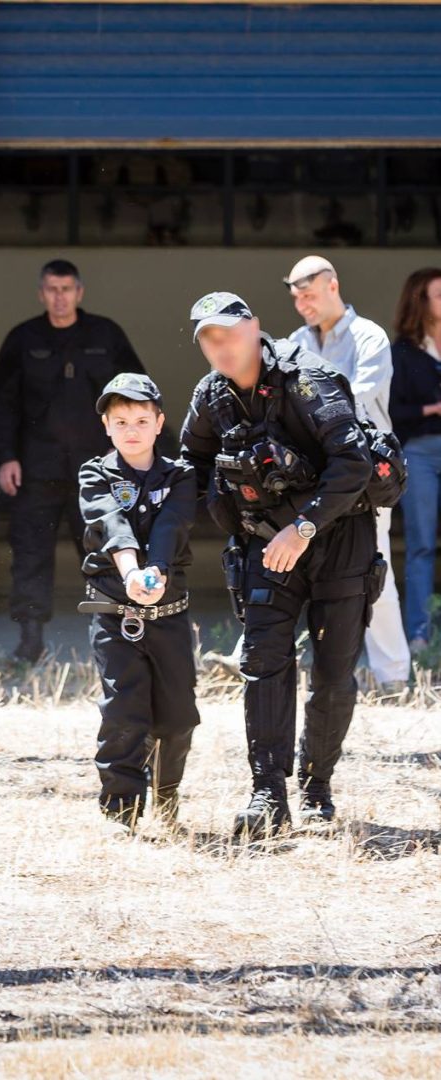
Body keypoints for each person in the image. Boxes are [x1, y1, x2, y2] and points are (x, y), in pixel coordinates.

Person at [181, 291, 377, 838]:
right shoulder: (212, 395)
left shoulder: (307, 379)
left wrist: (303, 528)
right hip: (265, 542)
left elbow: (353, 462)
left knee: (333, 674)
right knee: (263, 661)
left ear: (255, 327)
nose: (221, 346)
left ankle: (316, 788)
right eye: (209, 339)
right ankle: (268, 794)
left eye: (229, 333)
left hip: (338, 536)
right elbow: (191, 467)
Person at [0, 258, 146, 663]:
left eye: (67, 289)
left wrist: (128, 452)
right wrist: (5, 457)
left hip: (97, 471)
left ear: (79, 292)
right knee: (30, 555)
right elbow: (0, 403)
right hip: (36, 469)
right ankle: (30, 641)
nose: (60, 297)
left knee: (107, 552)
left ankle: (118, 638)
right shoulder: (24, 338)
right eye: (52, 290)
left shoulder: (105, 335)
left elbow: (135, 394)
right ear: (42, 294)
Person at [78, 372, 199, 831]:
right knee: (124, 711)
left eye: (142, 420)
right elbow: (111, 524)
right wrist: (131, 573)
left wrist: (157, 571)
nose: (132, 430)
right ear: (106, 426)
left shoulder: (180, 475)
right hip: (116, 613)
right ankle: (121, 810)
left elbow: (172, 525)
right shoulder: (94, 473)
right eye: (121, 421)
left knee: (178, 716)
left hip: (168, 616)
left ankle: (167, 796)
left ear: (159, 422)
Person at [285, 255, 410, 695]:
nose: (302, 305)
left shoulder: (368, 337)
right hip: (312, 473)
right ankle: (280, 660)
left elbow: (355, 400)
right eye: (296, 297)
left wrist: (302, 416)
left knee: (374, 568)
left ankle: (393, 677)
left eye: (309, 295)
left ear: (333, 286)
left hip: (363, 472)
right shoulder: (296, 342)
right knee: (292, 567)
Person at [389, 267, 441, 654]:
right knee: (421, 545)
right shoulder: (402, 353)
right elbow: (392, 412)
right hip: (419, 452)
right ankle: (420, 637)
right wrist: (433, 409)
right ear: (420, 302)